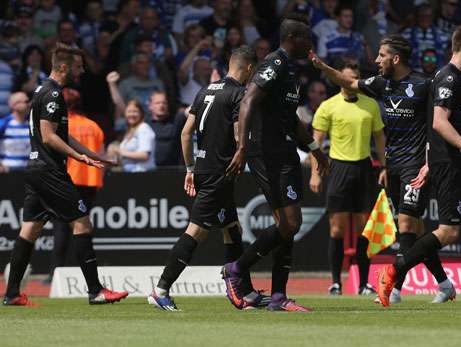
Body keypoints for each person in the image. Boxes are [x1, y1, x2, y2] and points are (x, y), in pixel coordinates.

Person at [310, 34, 456, 305]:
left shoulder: (423, 85)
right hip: (395, 167)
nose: (376, 60)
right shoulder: (381, 84)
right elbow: (350, 82)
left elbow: (435, 126)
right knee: (414, 231)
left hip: (416, 165)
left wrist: (428, 163)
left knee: (406, 225)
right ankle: (445, 284)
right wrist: (322, 67)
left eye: (381, 56)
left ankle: (394, 287)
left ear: (396, 59)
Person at [375, 24, 461, 307]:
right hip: (448, 162)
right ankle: (392, 271)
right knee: (449, 231)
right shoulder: (448, 78)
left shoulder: (454, 78)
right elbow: (439, 122)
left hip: (456, 159)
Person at [2, 43, 128, 306]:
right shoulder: (53, 94)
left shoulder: (41, 90)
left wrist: (91, 155)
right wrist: (77, 156)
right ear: (63, 67)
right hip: (49, 171)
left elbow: (61, 134)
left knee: (30, 230)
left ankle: (12, 294)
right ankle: (96, 291)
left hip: (36, 170)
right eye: (78, 67)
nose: (81, 71)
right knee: (82, 222)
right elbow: (49, 137)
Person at [221, 14, 329, 312]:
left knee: (287, 225)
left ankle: (279, 296)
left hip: (283, 150)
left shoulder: (289, 70)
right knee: (291, 223)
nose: (311, 44)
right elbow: (247, 100)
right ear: (294, 39)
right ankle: (236, 268)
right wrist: (242, 147)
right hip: (266, 152)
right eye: (307, 39)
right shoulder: (275, 64)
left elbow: (290, 119)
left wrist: (316, 151)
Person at [147, 47, 267, 311]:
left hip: (203, 168)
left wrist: (190, 167)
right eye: (253, 71)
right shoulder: (239, 94)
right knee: (196, 231)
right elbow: (238, 135)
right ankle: (160, 289)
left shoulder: (205, 91)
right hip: (219, 172)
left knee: (232, 229)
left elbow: (186, 133)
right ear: (248, 68)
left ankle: (244, 291)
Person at [309, 62, 384, 296]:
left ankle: (363, 283)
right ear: (339, 79)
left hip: (364, 167)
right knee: (337, 229)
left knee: (364, 230)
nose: (350, 81)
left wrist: (384, 166)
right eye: (346, 77)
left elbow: (380, 139)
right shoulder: (328, 106)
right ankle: (335, 282)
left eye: (354, 77)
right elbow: (315, 143)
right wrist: (314, 173)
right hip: (338, 168)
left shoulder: (370, 104)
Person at [46, 88, 105, 284]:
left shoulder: (62, 126)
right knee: (83, 229)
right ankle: (86, 275)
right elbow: (100, 155)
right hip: (90, 182)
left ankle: (55, 274)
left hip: (68, 180)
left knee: (61, 228)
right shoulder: (94, 126)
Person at [114, 100, 156, 172]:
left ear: (141, 114)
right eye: (129, 111)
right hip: (130, 173)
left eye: (135, 111)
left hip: (142, 174)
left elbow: (144, 155)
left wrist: (120, 152)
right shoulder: (130, 130)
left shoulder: (144, 128)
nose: (132, 114)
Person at [0, 92, 30, 172]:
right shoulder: (3, 123)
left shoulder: (31, 125)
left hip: (26, 172)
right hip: (7, 172)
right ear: (14, 105)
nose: (29, 104)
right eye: (26, 102)